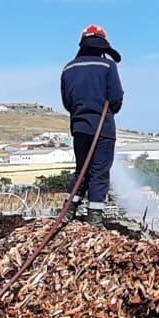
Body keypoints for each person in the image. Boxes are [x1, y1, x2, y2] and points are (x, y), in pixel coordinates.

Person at [59, 24, 123, 219]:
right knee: (99, 171)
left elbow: (67, 102)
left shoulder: (68, 68)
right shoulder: (108, 66)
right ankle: (95, 215)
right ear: (102, 48)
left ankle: (69, 210)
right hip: (103, 128)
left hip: (79, 128)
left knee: (81, 170)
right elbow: (116, 99)